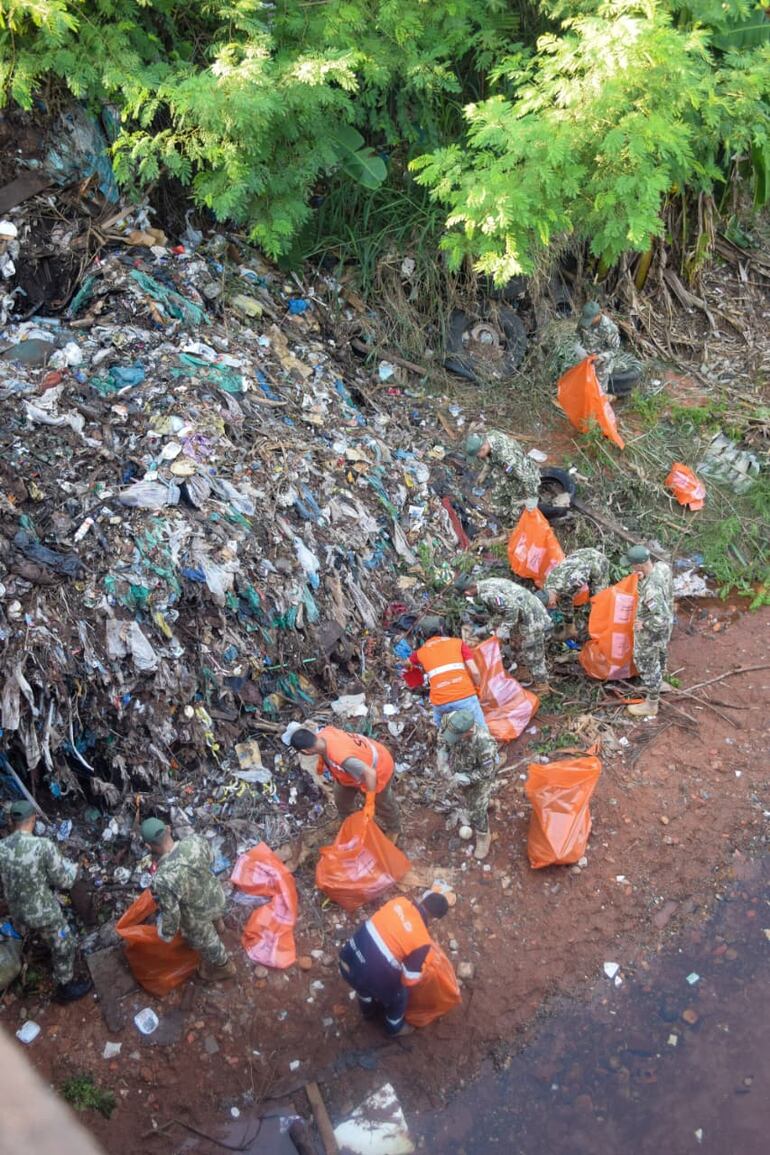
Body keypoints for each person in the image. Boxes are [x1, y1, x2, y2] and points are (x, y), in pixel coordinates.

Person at [0, 800, 92, 1002]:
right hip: (42, 913)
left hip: (16, 912)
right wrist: (73, 868)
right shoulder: (42, 846)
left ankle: (34, 949)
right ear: (32, 819)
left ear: (12, 822)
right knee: (64, 943)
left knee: (37, 932)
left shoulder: (2, 848)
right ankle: (65, 987)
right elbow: (64, 880)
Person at [339, 891, 450, 1036]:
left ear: (423, 899)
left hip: (347, 959)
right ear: (435, 918)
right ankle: (394, 1028)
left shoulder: (399, 902)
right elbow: (409, 979)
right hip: (367, 975)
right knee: (400, 994)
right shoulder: (422, 941)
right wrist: (422, 966)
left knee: (362, 981)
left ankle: (368, 1012)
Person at [141, 817, 235, 982]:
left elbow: (172, 915)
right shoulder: (195, 841)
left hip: (198, 916)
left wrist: (165, 934)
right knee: (213, 912)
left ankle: (225, 968)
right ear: (169, 829)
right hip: (216, 896)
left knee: (209, 942)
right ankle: (220, 926)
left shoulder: (163, 879)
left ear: (148, 846)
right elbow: (211, 860)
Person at [288, 726, 401, 836]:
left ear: (305, 751)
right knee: (341, 798)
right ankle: (349, 821)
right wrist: (322, 762)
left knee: (383, 803)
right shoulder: (324, 734)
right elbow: (326, 751)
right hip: (349, 775)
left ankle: (394, 829)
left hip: (378, 770)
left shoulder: (342, 758)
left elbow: (370, 774)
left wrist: (369, 803)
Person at [463, 577, 553, 694]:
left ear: (467, 592)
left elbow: (511, 609)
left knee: (534, 653)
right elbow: (502, 611)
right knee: (516, 645)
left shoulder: (488, 595)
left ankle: (542, 687)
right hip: (524, 615)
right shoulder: (488, 582)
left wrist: (503, 630)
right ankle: (525, 674)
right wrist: (488, 627)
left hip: (531, 619)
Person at [437, 709, 500, 860]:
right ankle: (487, 803)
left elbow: (487, 771)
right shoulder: (451, 721)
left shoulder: (484, 743)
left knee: (476, 812)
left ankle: (484, 836)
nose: (453, 738)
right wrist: (442, 756)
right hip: (459, 769)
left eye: (457, 736)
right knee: (467, 797)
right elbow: (443, 739)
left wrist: (467, 778)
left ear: (469, 731)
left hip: (477, 779)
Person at [407, 616, 488, 731]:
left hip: (440, 703)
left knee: (446, 735)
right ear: (442, 629)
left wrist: (414, 676)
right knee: (481, 732)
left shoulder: (420, 653)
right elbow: (475, 672)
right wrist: (477, 688)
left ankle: (449, 746)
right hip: (464, 696)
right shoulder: (458, 643)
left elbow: (406, 664)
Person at [623, 545, 674, 718]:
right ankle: (660, 683)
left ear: (639, 565)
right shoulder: (661, 568)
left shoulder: (651, 590)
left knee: (646, 663)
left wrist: (644, 624)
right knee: (660, 654)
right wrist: (643, 577)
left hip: (651, 633)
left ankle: (652, 703)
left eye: (632, 565)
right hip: (663, 632)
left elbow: (662, 618)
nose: (631, 568)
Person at [464, 428, 542, 515]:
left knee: (517, 511)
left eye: (477, 455)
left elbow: (528, 477)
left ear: (482, 448)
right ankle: (505, 517)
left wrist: (532, 498)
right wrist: (484, 473)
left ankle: (515, 522)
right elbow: (491, 458)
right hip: (507, 473)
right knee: (497, 502)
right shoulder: (489, 438)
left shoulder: (507, 456)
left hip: (522, 478)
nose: (478, 457)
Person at [543, 547, 610, 639]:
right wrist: (569, 625)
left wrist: (569, 628)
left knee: (598, 600)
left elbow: (566, 602)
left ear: (552, 603)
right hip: (581, 554)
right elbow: (566, 603)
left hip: (597, 561)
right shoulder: (547, 584)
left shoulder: (568, 586)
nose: (553, 607)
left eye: (551, 606)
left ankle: (602, 630)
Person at [576, 302, 642, 390]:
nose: (588, 322)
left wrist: (601, 357)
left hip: (601, 363)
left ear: (598, 315)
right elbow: (578, 335)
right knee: (583, 385)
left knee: (599, 389)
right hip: (585, 359)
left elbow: (614, 350)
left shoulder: (609, 328)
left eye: (590, 319)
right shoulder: (584, 321)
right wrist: (579, 349)